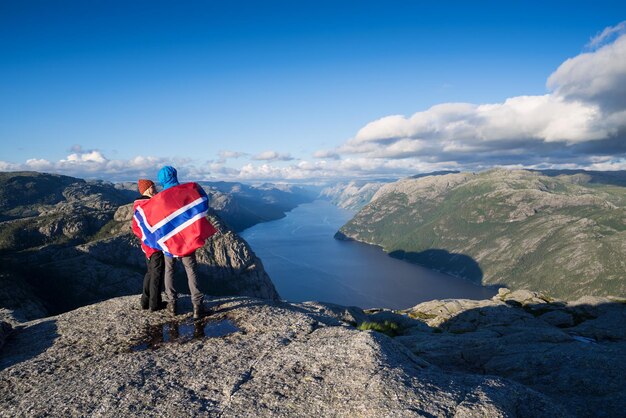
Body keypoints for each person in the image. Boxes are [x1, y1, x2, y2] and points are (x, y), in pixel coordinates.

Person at [158, 166, 208, 319]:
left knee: (169, 270)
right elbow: (203, 202)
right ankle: (197, 306)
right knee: (191, 269)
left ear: (161, 180)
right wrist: (200, 189)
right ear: (175, 175)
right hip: (186, 239)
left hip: (168, 240)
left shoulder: (159, 198)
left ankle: (172, 304)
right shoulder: (186, 191)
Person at [131, 179, 165, 312]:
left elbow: (137, 227)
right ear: (147, 189)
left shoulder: (138, 205)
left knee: (150, 273)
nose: (155, 189)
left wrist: (145, 240)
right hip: (155, 246)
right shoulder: (149, 205)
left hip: (146, 246)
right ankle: (155, 304)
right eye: (153, 187)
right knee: (157, 274)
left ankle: (145, 301)